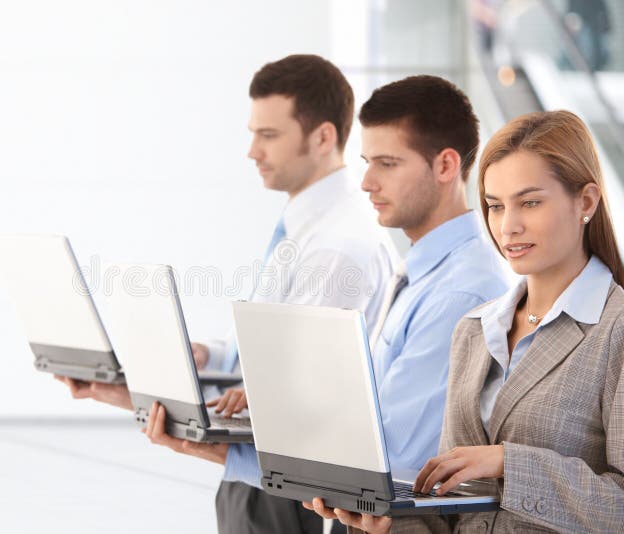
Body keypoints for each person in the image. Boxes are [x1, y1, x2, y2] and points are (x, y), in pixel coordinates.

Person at [64, 54, 397, 534]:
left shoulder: (339, 248)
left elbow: (297, 398)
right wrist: (209, 357)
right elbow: (269, 366)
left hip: (292, 497)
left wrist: (155, 405)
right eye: (253, 133)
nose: (252, 151)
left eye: (269, 135)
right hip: (264, 485)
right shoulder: (302, 230)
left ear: (323, 137)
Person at [332, 110, 624, 533]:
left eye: (530, 202)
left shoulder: (614, 329)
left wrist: (509, 463)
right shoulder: (475, 330)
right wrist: (388, 526)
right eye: (494, 206)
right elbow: (451, 509)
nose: (509, 226)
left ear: (586, 202)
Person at [292, 75, 510, 528]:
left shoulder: (463, 290)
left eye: (387, 163)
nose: (367, 182)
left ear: (446, 165)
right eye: (367, 161)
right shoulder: (422, 268)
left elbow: (393, 455)